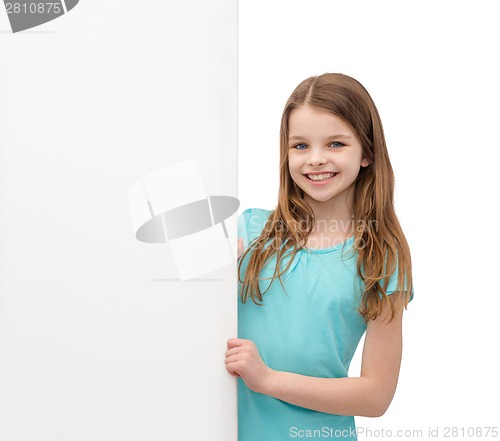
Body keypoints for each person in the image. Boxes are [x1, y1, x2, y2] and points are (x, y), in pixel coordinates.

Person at [225, 73, 414, 441]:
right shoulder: (250, 232)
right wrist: (209, 271)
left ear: (367, 153)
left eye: (335, 143)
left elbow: (376, 395)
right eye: (300, 146)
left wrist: (268, 380)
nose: (315, 159)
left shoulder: (381, 256)